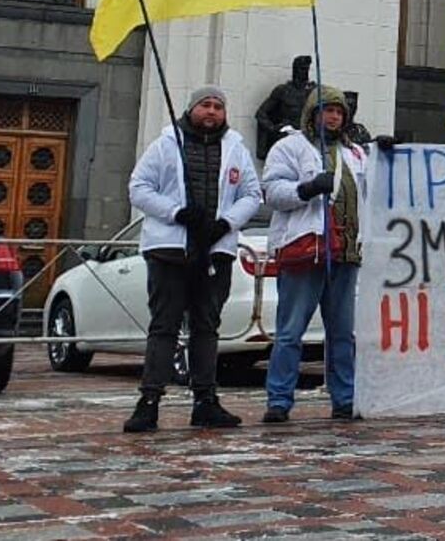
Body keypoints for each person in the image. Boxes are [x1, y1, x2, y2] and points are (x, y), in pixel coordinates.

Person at [122, 86, 262, 433]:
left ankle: (205, 401)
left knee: (206, 327)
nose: (212, 112)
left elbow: (251, 193)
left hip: (215, 249)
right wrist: (176, 213)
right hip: (170, 250)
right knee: (164, 326)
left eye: (218, 106)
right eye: (205, 105)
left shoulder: (237, 150)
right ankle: (149, 401)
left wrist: (225, 223)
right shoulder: (166, 144)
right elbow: (139, 187)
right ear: (191, 109)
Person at [261, 86, 392, 422]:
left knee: (342, 333)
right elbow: (272, 191)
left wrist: (388, 155)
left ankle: (344, 397)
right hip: (307, 250)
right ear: (312, 113)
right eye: (327, 110)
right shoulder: (289, 147)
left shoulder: (355, 153)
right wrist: (304, 189)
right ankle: (279, 399)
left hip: (346, 253)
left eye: (339, 112)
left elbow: (375, 189)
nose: (334, 116)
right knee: (291, 331)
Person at [254, 56, 315, 158]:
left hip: (307, 141)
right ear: (294, 70)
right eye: (301, 68)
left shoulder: (314, 92)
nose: (304, 72)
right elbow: (261, 114)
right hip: (286, 139)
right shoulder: (283, 91)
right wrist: (273, 128)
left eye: (306, 69)